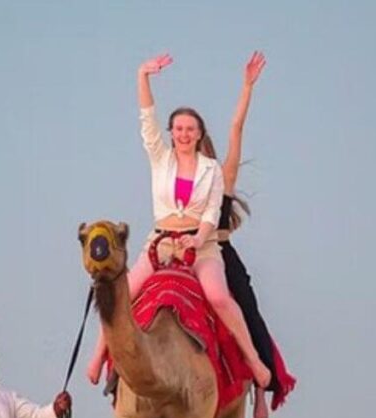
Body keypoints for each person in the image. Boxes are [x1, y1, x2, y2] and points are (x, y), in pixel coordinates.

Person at [86, 53, 272, 390]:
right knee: (121, 291)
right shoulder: (161, 159)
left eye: (191, 129)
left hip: (201, 246)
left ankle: (255, 361)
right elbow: (146, 120)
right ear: (172, 133)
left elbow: (212, 212)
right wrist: (141, 75)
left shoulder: (212, 169)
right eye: (179, 128)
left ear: (200, 134)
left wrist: (198, 240)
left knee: (218, 297)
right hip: (161, 241)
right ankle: (99, 355)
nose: (184, 134)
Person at [217, 51, 297, 418]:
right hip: (183, 250)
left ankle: (262, 389)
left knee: (248, 312)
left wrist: (246, 88)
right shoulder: (183, 180)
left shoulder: (220, 178)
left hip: (217, 249)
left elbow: (235, 130)